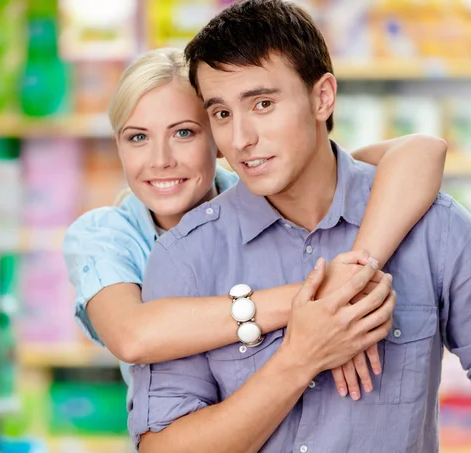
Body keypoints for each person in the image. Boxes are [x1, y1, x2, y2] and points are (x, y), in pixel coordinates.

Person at [128, 1, 470, 452]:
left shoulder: (433, 225)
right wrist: (300, 358)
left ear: (322, 97)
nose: (241, 139)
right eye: (222, 114)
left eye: (263, 103)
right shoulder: (185, 255)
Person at [63, 46, 447, 401]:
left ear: (218, 135)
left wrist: (358, 269)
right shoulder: (105, 236)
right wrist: (326, 295)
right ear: (118, 145)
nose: (160, 159)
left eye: (184, 133)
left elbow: (421, 151)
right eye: (137, 137)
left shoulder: (264, 189)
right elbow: (133, 335)